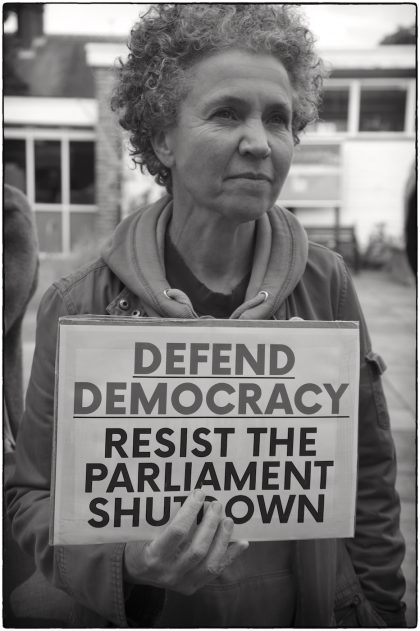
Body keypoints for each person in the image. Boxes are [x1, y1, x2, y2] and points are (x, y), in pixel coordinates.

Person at [7, 4, 406, 627]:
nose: (259, 141)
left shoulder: (327, 283)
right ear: (162, 138)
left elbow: (369, 477)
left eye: (279, 119)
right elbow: (30, 498)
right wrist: (126, 565)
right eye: (226, 113)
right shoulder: (77, 305)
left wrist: (383, 609)